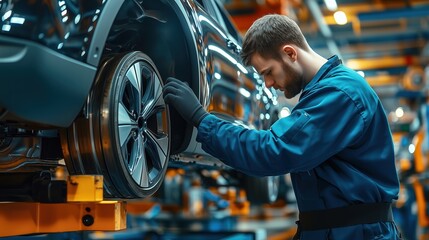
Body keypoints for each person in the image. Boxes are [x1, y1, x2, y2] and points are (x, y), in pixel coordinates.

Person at [163, 14, 401, 239]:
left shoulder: (340, 94)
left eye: (268, 72)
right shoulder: (323, 93)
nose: (267, 83)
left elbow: (275, 151)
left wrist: (202, 119)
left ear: (289, 53)